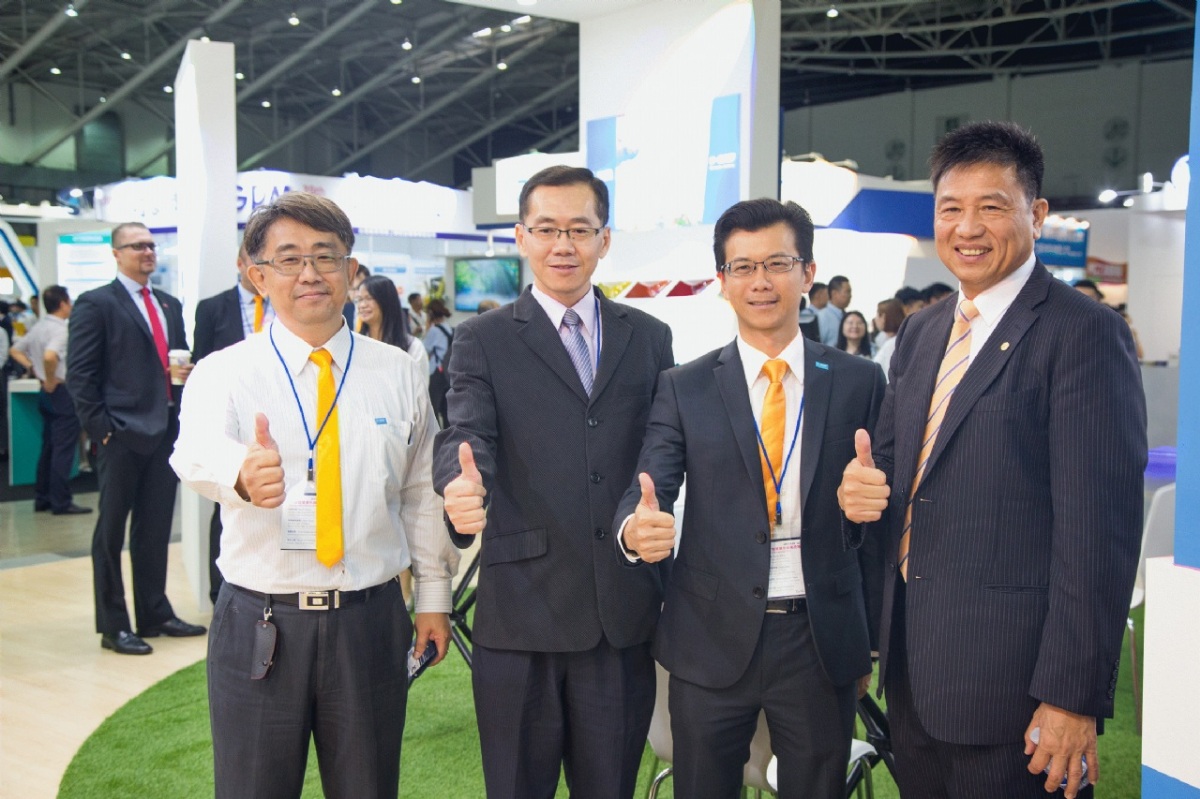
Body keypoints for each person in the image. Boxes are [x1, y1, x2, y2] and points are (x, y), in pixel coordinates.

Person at [837, 121, 1145, 799]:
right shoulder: (922, 331)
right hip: (914, 673)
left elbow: (1099, 533)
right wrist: (860, 489)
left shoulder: (1083, 332)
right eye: (951, 207)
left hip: (1017, 690)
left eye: (992, 206)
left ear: (1036, 214)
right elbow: (890, 467)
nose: (967, 227)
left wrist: (1070, 698)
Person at [170, 191, 458, 799]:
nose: (309, 273)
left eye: (326, 256)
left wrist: (433, 596)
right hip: (261, 622)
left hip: (369, 621)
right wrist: (240, 474)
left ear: (351, 271)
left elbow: (420, 492)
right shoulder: (225, 371)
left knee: (368, 787)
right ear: (258, 276)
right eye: (289, 258)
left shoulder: (398, 371)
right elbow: (191, 450)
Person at [616, 198, 883, 799]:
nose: (760, 281)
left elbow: (875, 522)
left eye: (777, 263)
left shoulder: (859, 381)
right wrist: (636, 529)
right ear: (723, 280)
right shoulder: (684, 387)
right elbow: (650, 485)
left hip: (820, 637)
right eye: (742, 267)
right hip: (708, 635)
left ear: (807, 272)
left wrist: (868, 639)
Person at [433, 164, 674, 799]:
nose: (562, 245)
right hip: (522, 615)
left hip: (619, 612)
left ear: (604, 239)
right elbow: (466, 433)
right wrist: (461, 486)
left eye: (579, 229)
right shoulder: (481, 339)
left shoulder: (649, 338)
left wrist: (645, 515)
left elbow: (660, 447)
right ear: (521, 236)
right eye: (546, 229)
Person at [67, 222, 206, 655]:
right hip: (121, 434)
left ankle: (155, 613)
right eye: (137, 246)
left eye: (151, 245)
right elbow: (80, 376)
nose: (147, 251)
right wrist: (103, 431)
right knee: (110, 533)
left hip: (164, 430)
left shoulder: (168, 304)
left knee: (155, 529)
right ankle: (114, 625)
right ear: (117, 253)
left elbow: (176, 359)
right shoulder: (96, 303)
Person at [192, 246, 275, 605]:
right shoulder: (213, 307)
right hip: (232, 420)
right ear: (241, 264)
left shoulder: (285, 305)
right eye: (253, 259)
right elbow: (201, 360)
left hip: (277, 417)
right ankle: (221, 590)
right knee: (228, 500)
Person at [10, 285, 89, 515]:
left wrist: (35, 370)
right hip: (61, 391)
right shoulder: (61, 330)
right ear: (63, 304)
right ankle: (60, 501)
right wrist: (51, 378)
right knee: (63, 449)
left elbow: (16, 350)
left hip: (46, 393)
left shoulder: (39, 327)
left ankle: (42, 497)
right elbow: (50, 356)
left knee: (49, 447)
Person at [357, 274, 429, 380]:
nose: (362, 305)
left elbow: (420, 388)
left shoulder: (413, 347)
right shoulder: (355, 345)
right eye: (359, 299)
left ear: (386, 301)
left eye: (369, 298)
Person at [872, 298, 905, 376]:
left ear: (884, 317)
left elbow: (888, 376)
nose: (875, 319)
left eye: (877, 314)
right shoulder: (884, 339)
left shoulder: (892, 344)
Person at [816, 275, 851, 346]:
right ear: (834, 293)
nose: (850, 295)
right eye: (847, 292)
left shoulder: (847, 316)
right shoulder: (822, 317)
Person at [342, 262, 371, 329]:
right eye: (352, 288)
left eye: (359, 288)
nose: (357, 294)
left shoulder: (377, 311)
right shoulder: (341, 312)